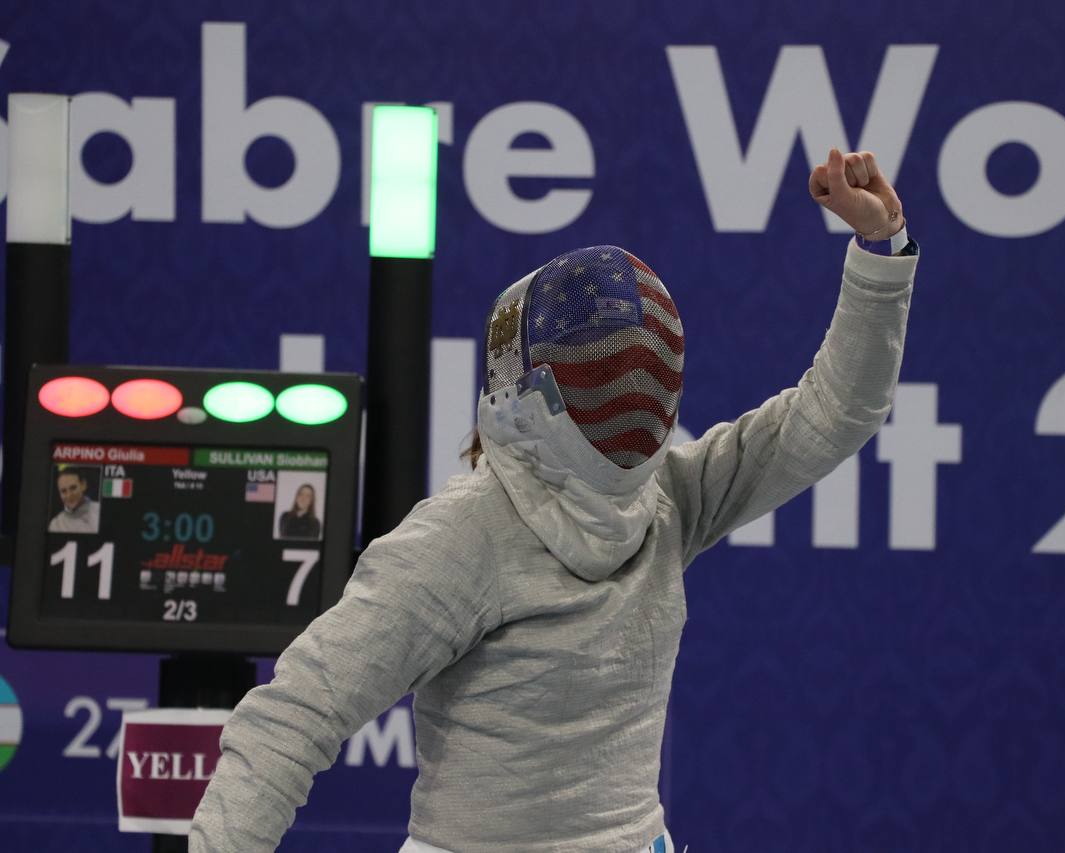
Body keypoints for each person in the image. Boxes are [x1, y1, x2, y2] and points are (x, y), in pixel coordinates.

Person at [190, 147, 919, 853]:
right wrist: (879, 250)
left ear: (519, 390)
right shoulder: (650, 500)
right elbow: (836, 412)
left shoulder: (589, 513)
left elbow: (290, 719)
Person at [47, 468, 100, 534]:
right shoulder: (56, 524)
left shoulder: (99, 510)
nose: (69, 495)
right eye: (63, 491)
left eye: (73, 488)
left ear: (83, 485)